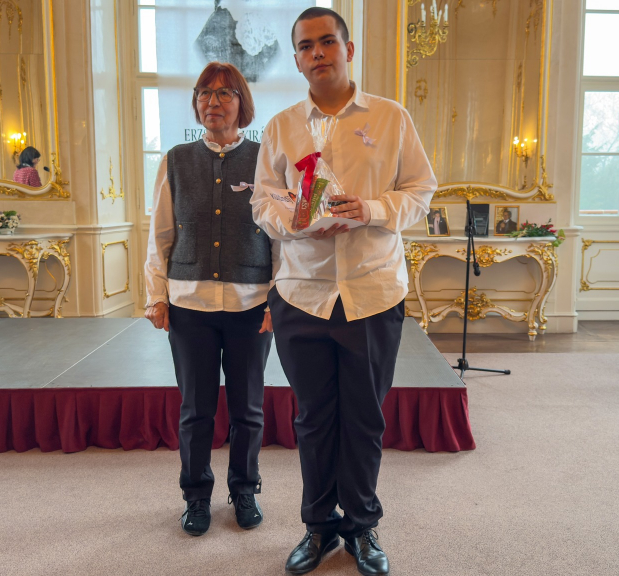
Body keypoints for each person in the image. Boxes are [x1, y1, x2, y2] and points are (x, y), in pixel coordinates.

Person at [250, 8, 436, 576]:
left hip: (372, 292)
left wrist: (371, 209)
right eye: (306, 46)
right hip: (301, 294)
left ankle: (361, 526)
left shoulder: (391, 116)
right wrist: (292, 221)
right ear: (297, 58)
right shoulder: (282, 127)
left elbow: (421, 191)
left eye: (327, 41)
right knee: (312, 419)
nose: (317, 53)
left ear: (348, 49)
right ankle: (317, 526)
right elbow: (261, 202)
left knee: (364, 419)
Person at [144, 61, 274, 537]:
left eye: (224, 93)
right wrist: (156, 295)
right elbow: (161, 233)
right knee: (196, 410)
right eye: (204, 93)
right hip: (189, 305)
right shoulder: (177, 160)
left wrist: (277, 300)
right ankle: (196, 496)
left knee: (248, 409)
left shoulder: (265, 159)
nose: (212, 102)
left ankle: (244, 489)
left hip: (251, 304)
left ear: (242, 103)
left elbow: (281, 236)